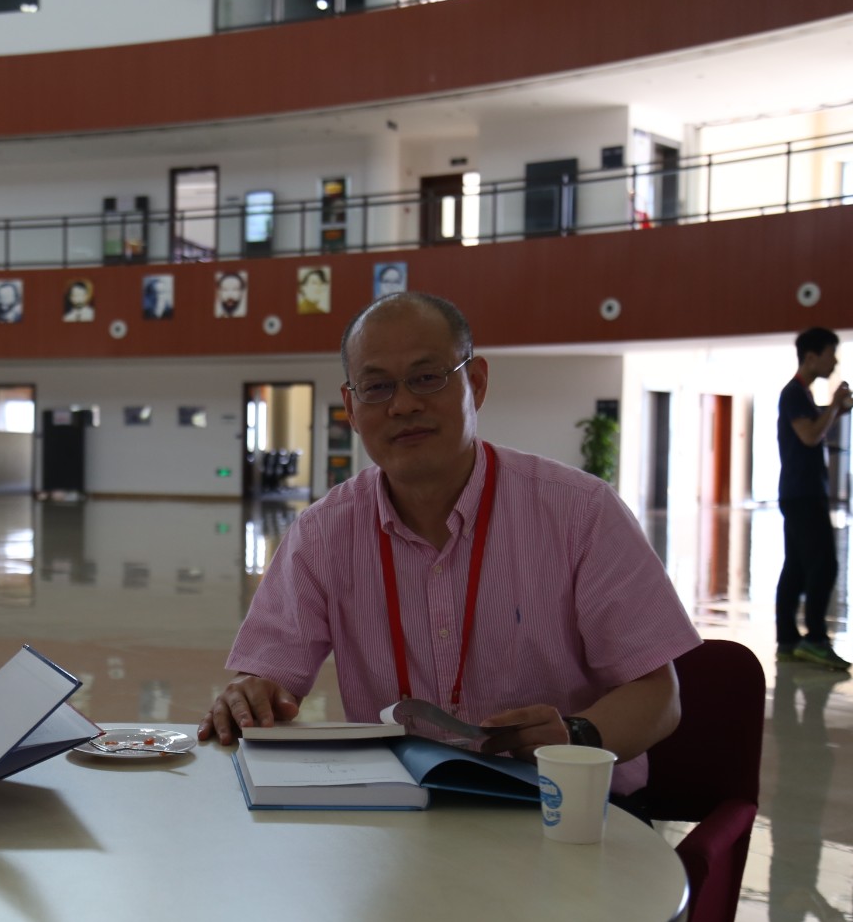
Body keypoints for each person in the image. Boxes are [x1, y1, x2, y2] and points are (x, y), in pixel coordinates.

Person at [197, 292, 696, 803]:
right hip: (401, 807)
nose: (403, 405)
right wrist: (252, 694)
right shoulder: (323, 533)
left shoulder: (581, 512)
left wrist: (575, 737)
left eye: (427, 377)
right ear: (351, 407)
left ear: (475, 383)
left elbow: (658, 695)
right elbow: (270, 678)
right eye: (377, 386)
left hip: (564, 806)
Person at [776, 327, 853, 669]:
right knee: (824, 565)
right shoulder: (794, 392)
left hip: (800, 493)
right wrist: (835, 405)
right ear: (811, 357)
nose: (834, 362)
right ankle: (816, 639)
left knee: (796, 567)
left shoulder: (802, 395)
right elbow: (809, 435)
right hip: (803, 494)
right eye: (830, 354)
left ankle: (788, 640)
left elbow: (812, 424)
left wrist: (836, 410)